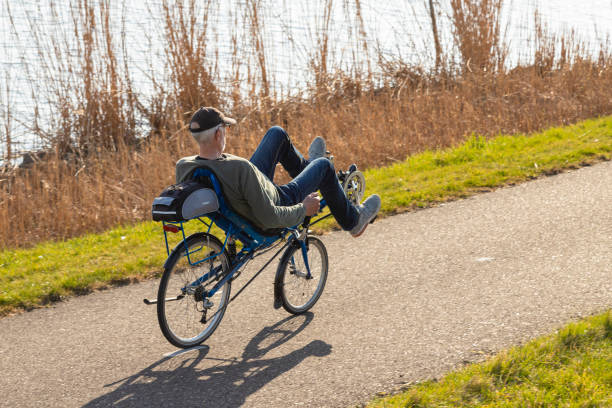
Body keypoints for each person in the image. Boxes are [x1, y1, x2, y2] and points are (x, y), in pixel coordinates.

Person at [175, 107, 381, 237]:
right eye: (225, 128)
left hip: (245, 195)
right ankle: (353, 220)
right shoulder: (239, 167)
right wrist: (303, 209)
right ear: (218, 133)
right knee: (325, 166)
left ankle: (308, 168)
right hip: (277, 202)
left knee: (277, 134)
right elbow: (269, 218)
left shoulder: (184, 166)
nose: (226, 132)